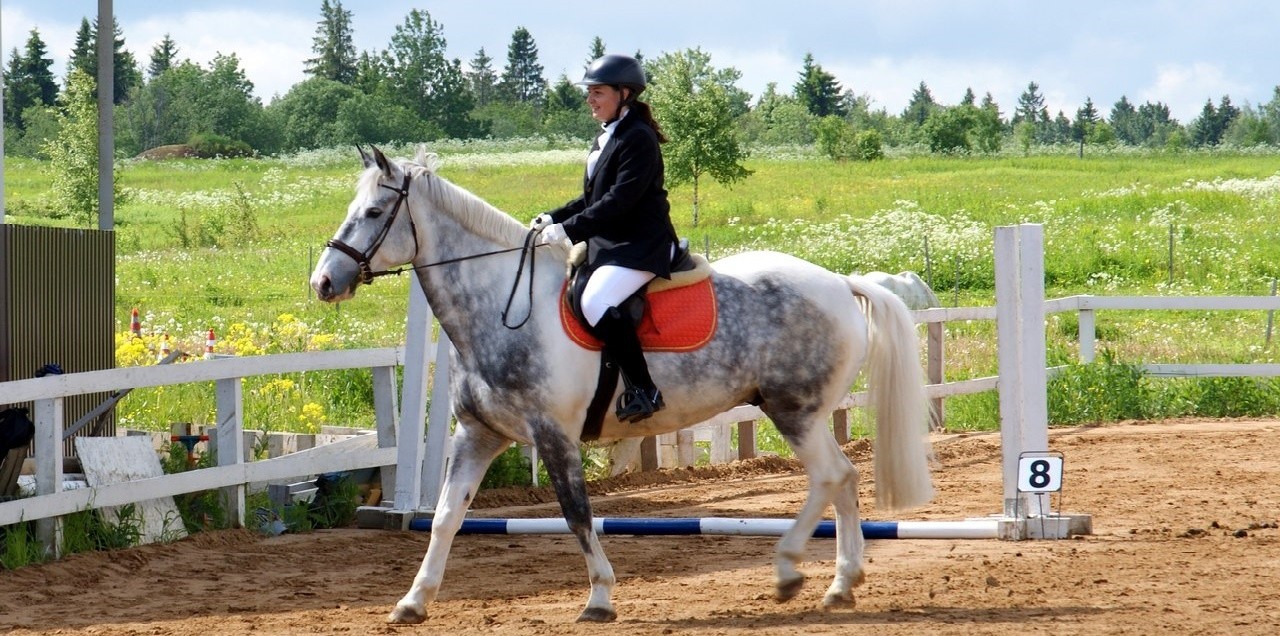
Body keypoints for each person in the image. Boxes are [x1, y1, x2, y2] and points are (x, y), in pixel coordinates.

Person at [531, 53, 677, 423]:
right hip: (613, 244)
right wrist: (554, 215)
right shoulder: (609, 135)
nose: (590, 100)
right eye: (589, 93)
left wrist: (568, 230)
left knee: (596, 300)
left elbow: (620, 202)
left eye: (598, 92)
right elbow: (593, 198)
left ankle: (644, 390)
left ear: (624, 93)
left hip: (641, 244)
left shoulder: (638, 139)